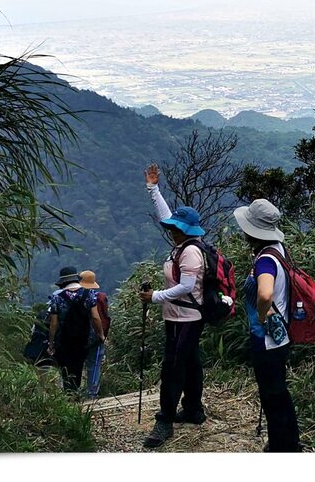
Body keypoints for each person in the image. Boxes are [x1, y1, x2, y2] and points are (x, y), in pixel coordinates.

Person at [138, 163, 208, 448]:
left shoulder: (191, 251)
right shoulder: (183, 243)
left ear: (186, 229)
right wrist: (153, 188)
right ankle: (193, 410)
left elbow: (187, 287)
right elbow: (166, 217)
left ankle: (164, 420)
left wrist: (155, 297)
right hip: (180, 317)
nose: (171, 230)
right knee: (190, 362)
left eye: (177, 227)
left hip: (186, 317)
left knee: (173, 367)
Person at [235, 197, 301, 452]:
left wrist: (262, 317)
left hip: (267, 338)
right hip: (281, 334)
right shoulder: (278, 250)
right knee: (279, 392)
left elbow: (265, 294)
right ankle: (289, 442)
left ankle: (280, 448)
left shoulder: (264, 260)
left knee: (272, 395)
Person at [48, 269, 105, 393]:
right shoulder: (89, 294)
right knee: (79, 366)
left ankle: (70, 394)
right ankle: (85, 393)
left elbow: (54, 323)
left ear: (63, 282)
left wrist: (51, 342)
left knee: (67, 368)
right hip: (85, 339)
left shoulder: (56, 297)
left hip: (64, 340)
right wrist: (100, 335)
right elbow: (96, 318)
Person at [79, 270, 111, 399]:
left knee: (76, 364)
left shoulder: (70, 296)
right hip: (94, 337)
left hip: (75, 337)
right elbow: (98, 318)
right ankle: (92, 394)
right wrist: (101, 335)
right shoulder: (98, 297)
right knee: (94, 365)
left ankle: (73, 393)